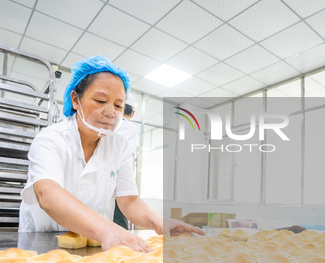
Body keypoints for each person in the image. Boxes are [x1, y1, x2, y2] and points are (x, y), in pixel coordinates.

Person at [19, 55, 203, 252]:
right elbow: (48, 194)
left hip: (95, 243)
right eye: (100, 100)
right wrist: (108, 230)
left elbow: (129, 201)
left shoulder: (119, 145)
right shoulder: (51, 139)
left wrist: (158, 222)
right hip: (43, 242)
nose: (110, 112)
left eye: (118, 105)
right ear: (75, 99)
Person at [113, 93, 138, 230]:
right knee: (119, 224)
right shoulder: (130, 127)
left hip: (109, 181)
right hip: (118, 182)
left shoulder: (107, 125)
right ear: (132, 113)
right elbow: (129, 156)